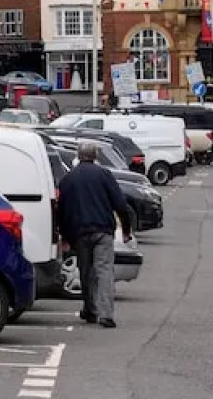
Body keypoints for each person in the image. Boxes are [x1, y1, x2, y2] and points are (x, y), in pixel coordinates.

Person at [55, 140, 133, 328]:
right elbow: (120, 204)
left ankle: (90, 309)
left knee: (86, 271)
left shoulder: (68, 179)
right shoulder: (104, 175)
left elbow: (62, 211)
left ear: (78, 156)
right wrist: (126, 230)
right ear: (96, 156)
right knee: (104, 270)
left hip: (80, 232)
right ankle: (106, 314)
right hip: (103, 231)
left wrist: (65, 237)